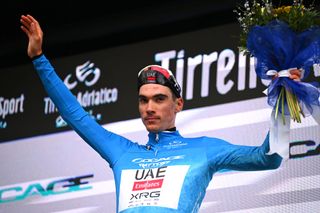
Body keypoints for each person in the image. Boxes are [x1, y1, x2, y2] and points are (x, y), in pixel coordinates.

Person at [20, 14, 301, 213]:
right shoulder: (122, 152)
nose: (149, 108)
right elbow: (73, 114)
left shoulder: (205, 149)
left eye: (159, 99)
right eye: (143, 101)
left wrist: (285, 95)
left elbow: (269, 158)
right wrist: (38, 57)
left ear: (178, 104)